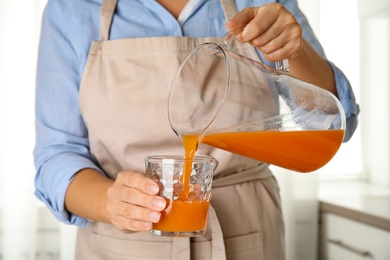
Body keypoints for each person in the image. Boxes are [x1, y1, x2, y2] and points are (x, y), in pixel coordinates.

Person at [34, 0, 359, 259]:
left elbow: (335, 122)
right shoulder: (72, 9)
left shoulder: (261, 5)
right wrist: (111, 202)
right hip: (119, 245)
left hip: (249, 235)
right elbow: (56, 155)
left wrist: (294, 51)